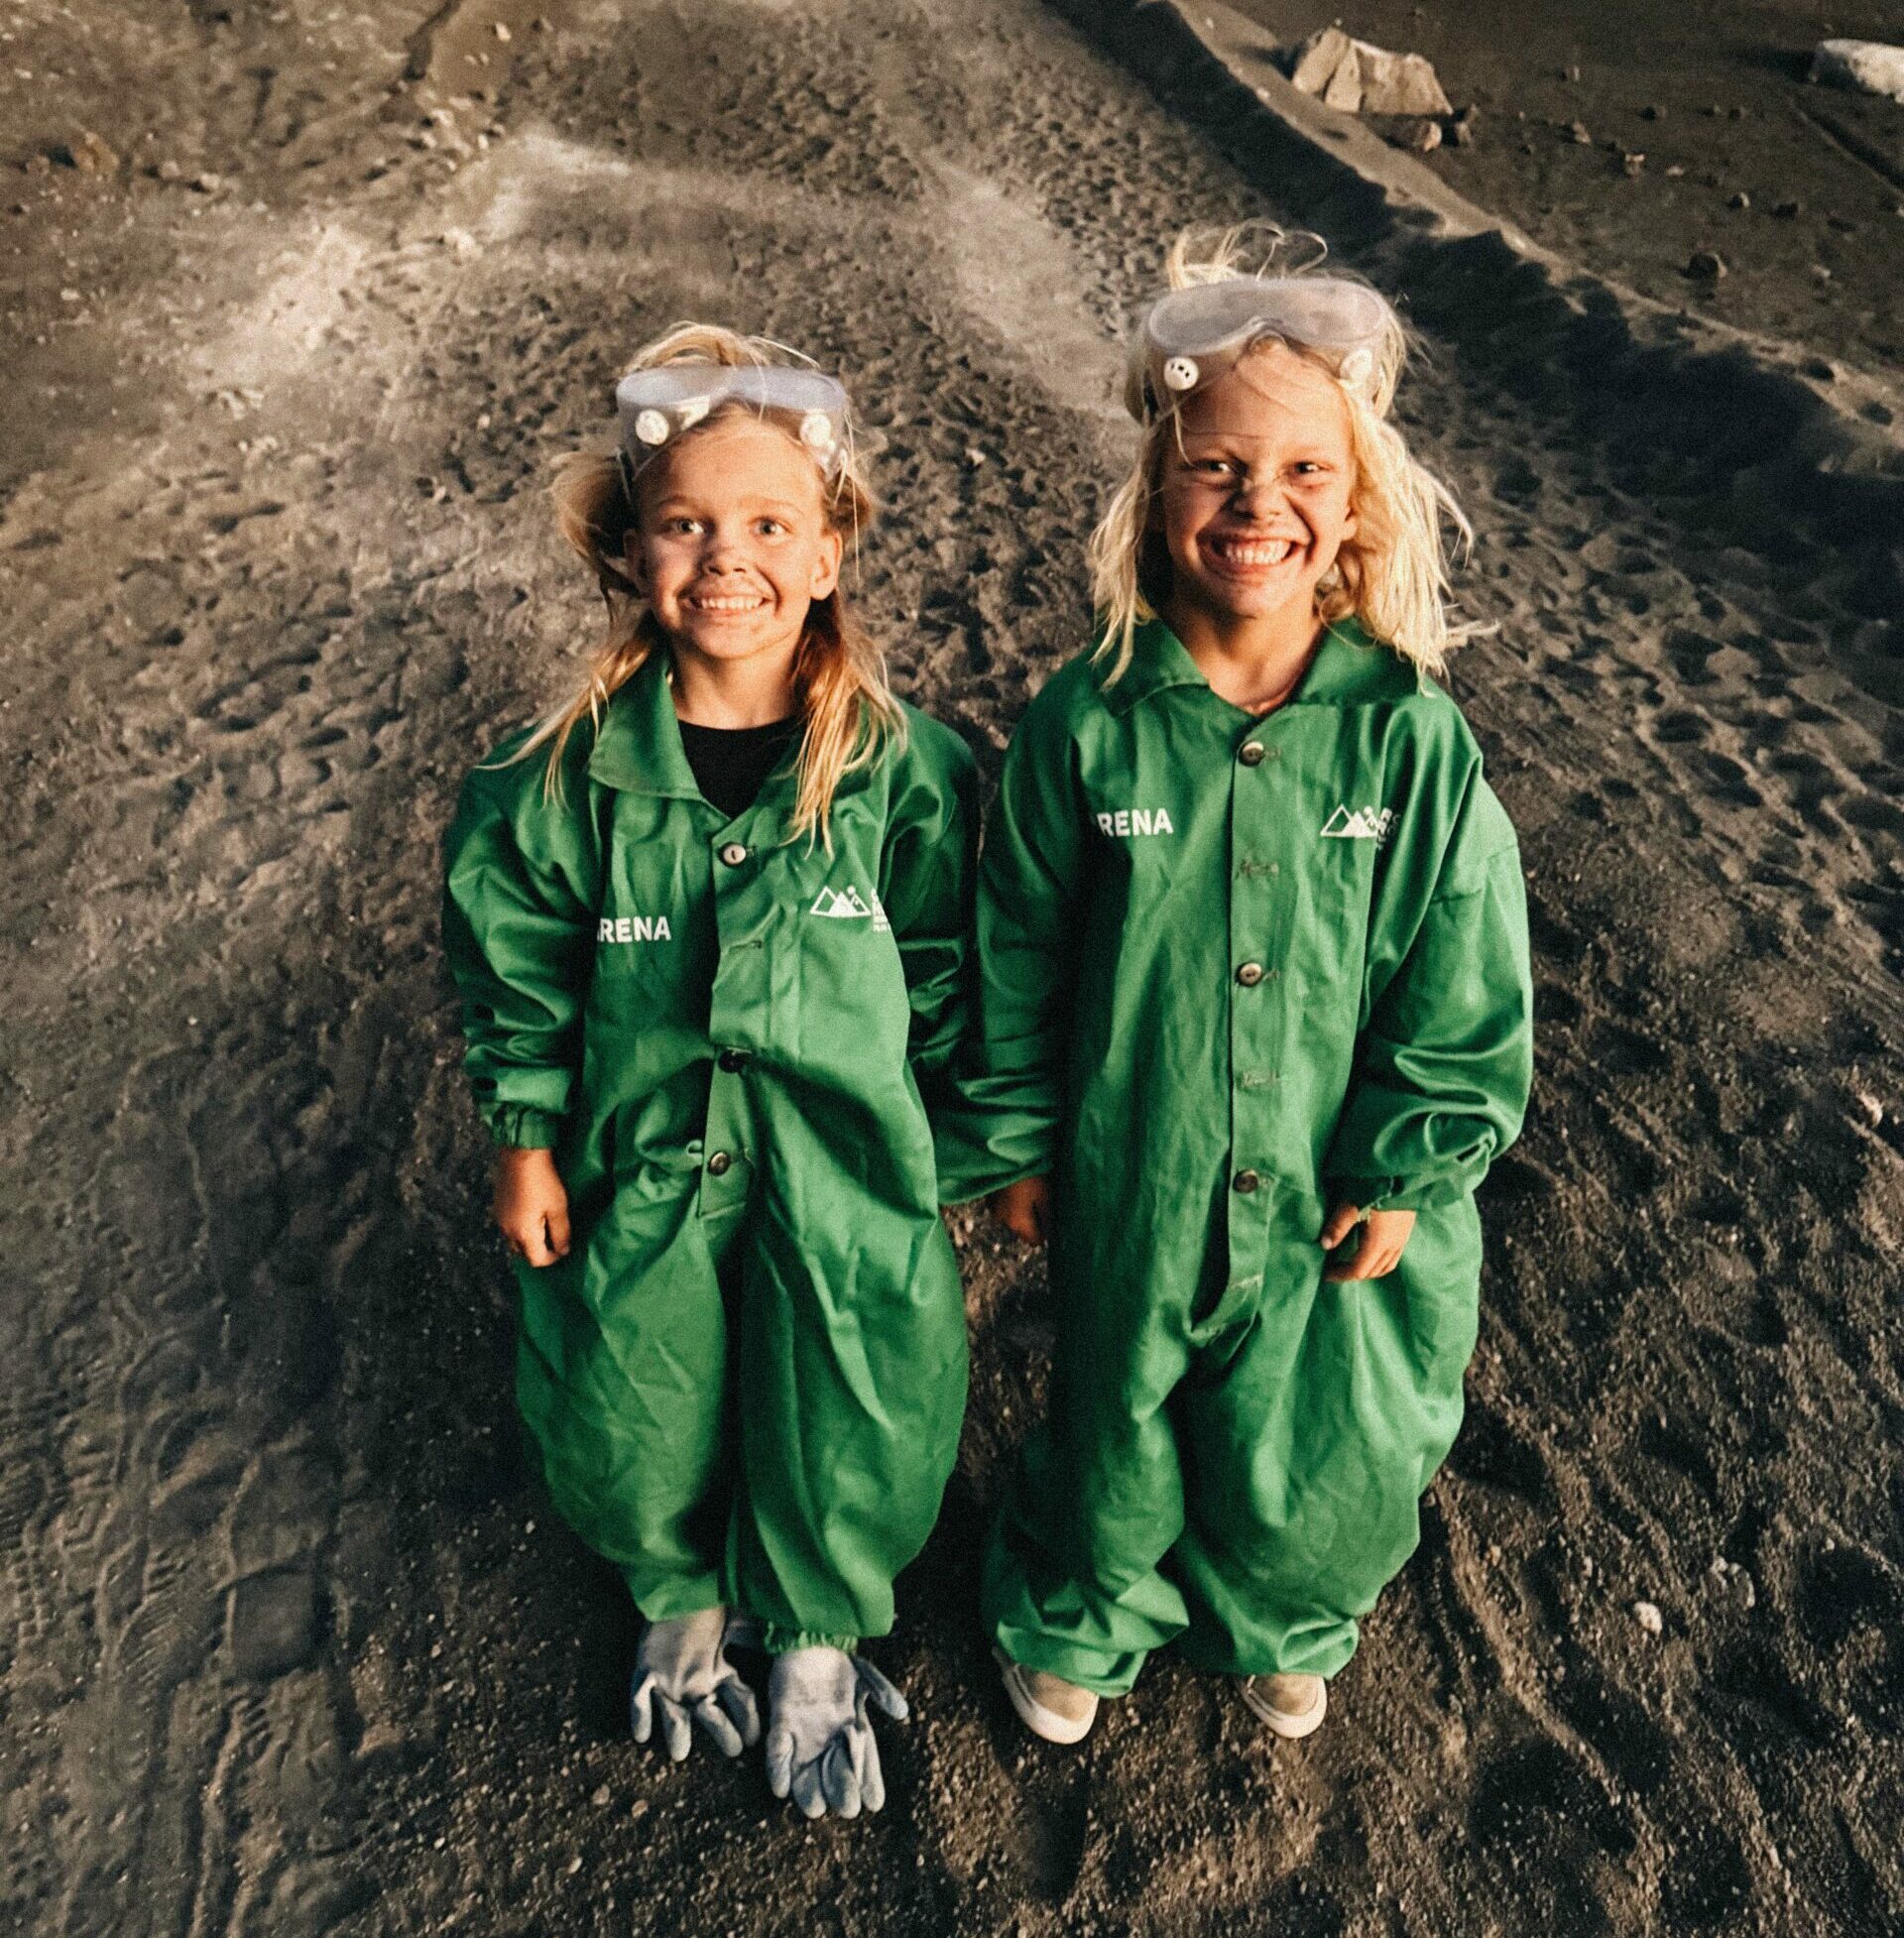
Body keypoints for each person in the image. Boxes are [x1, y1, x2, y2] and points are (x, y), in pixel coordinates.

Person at [941, 228, 1533, 1746]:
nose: (1258, 503)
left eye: (1303, 472)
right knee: (1117, 1418)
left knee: (1321, 1432)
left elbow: (1459, 969)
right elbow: (1018, 943)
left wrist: (1406, 1163)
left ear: (1353, 504)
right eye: (1218, 467)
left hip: (1326, 1176)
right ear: (1159, 485)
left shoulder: (1408, 738)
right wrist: (1015, 1139)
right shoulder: (1087, 725)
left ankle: (1284, 1610)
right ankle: (1083, 1610)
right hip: (1137, 1163)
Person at [442, 324, 978, 1817]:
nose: (725, 556)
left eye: (767, 525)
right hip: (641, 1153)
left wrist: (955, 1158)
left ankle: (815, 1622)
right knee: (633, 1379)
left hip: (841, 1165)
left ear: (828, 552)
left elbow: (945, 969)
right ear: (633, 553)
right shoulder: (554, 780)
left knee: (856, 1379)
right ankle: (678, 1592)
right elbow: (520, 971)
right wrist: (527, 1137)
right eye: (684, 524)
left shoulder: (903, 771)